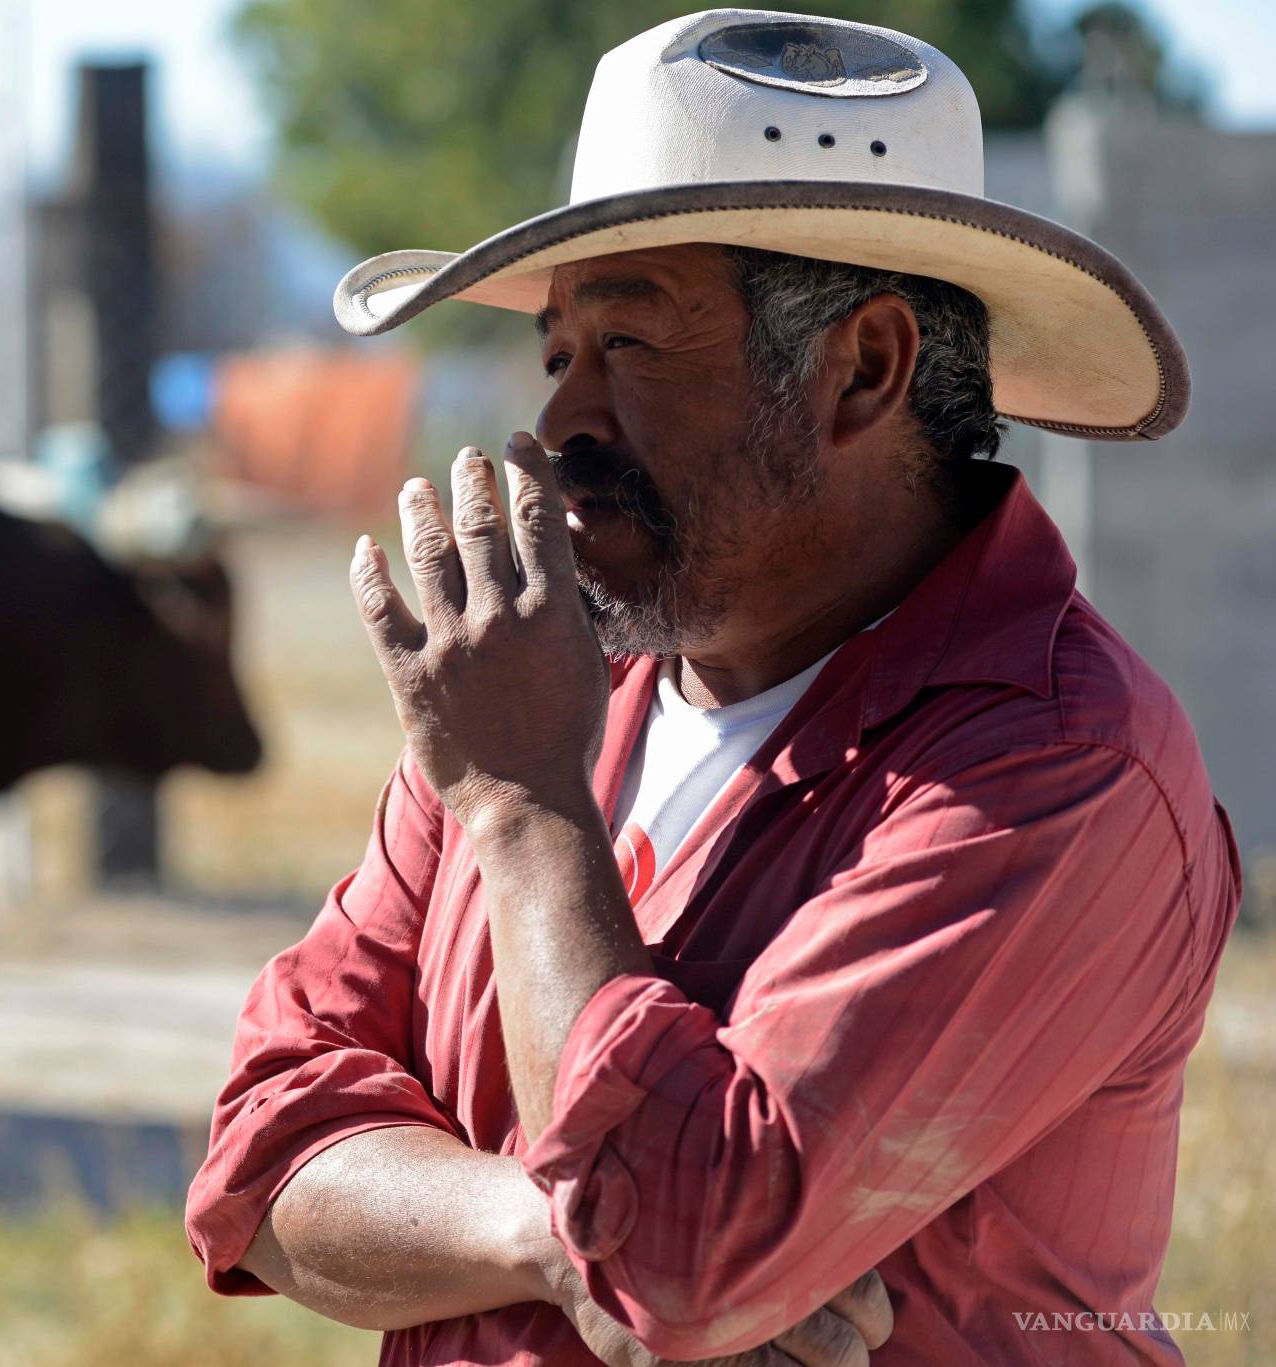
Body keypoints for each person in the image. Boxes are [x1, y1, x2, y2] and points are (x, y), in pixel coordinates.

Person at [185, 9, 1240, 1365]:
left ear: (863, 370)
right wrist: (549, 1234)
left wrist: (519, 808)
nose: (563, 417)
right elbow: (261, 1158)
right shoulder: (543, 699)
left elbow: (683, 1264)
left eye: (631, 346)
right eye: (557, 351)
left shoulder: (1055, 764)